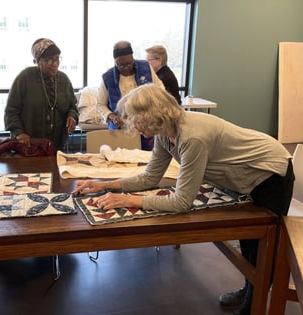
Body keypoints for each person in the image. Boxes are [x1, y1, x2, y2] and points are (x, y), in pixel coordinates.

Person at [73, 84, 295, 315]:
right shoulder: (166, 134)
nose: (133, 125)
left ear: (152, 115)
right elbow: (150, 176)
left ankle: (252, 304)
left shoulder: (192, 137)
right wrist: (105, 184)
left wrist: (130, 200)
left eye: (136, 119)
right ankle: (249, 289)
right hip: (246, 176)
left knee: (264, 245)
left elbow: (181, 202)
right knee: (250, 241)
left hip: (269, 172)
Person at [4, 38, 79, 151]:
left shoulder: (64, 80)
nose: (55, 64)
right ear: (38, 61)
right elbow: (11, 111)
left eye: (57, 59)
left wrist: (72, 116)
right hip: (29, 146)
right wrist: (18, 133)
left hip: (57, 146)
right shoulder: (24, 78)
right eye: (49, 60)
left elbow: (72, 106)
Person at [96, 40, 164, 151]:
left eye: (129, 63)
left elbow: (160, 89)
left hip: (145, 126)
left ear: (132, 57)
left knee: (146, 158)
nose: (127, 67)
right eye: (121, 65)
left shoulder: (145, 67)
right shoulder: (107, 78)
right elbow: (100, 104)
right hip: (120, 128)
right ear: (115, 62)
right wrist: (112, 116)